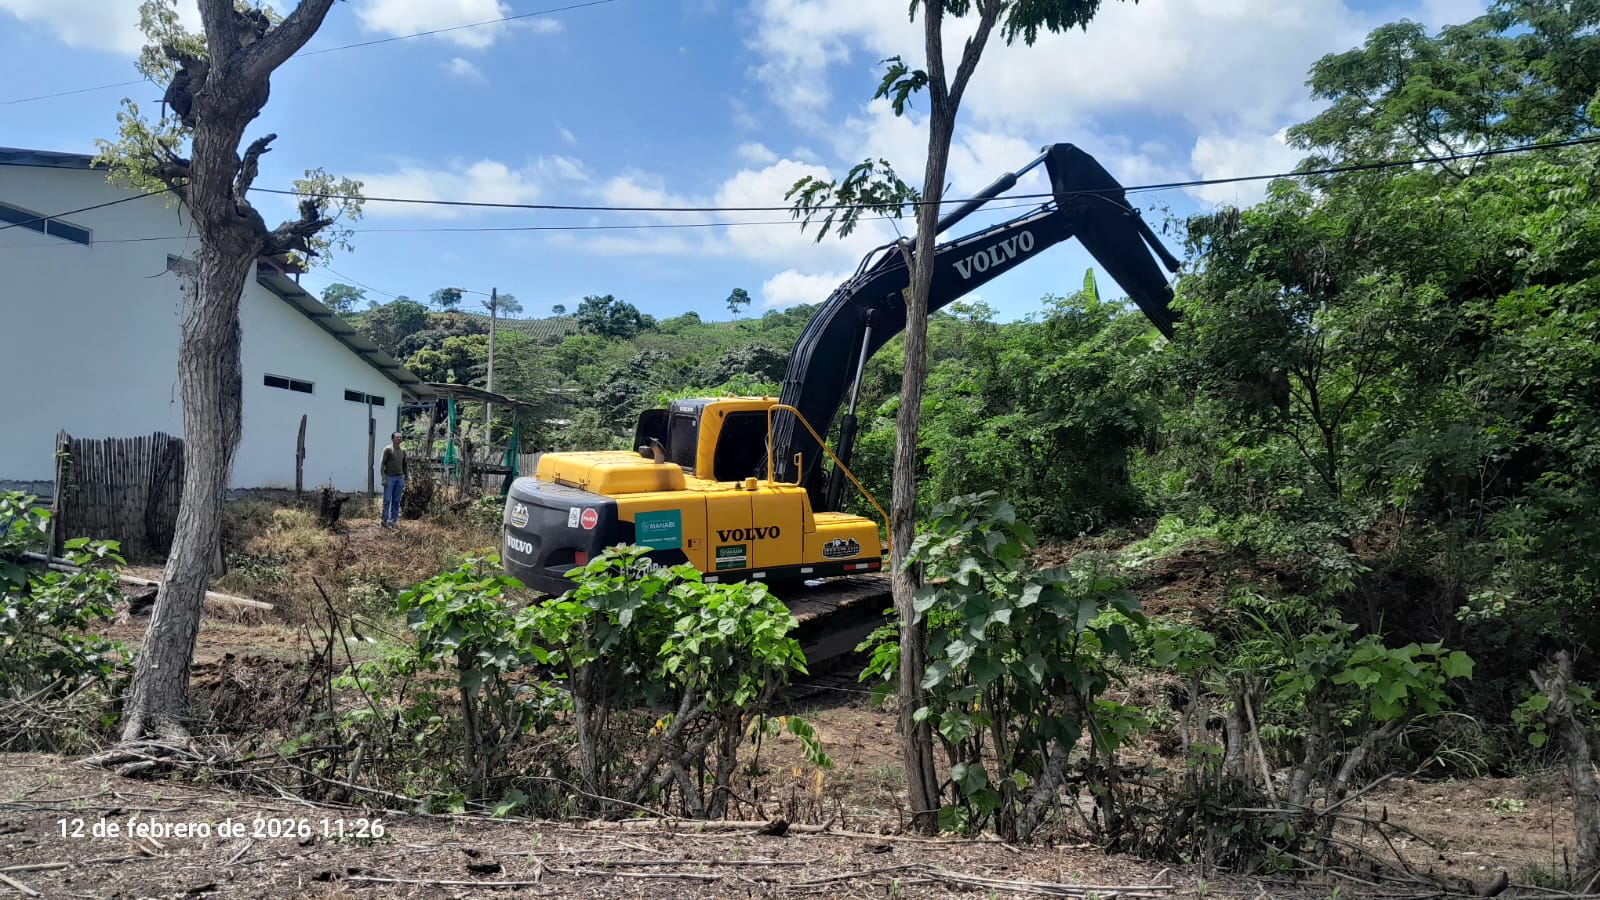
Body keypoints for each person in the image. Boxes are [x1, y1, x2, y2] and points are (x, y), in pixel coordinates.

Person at [380, 431, 407, 529]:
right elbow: (382, 464)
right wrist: (383, 478)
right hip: (389, 477)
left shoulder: (403, 451)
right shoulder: (388, 449)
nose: (399, 439)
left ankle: (393, 521)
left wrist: (406, 478)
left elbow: (405, 465)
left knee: (396, 501)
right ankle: (384, 521)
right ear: (392, 439)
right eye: (397, 437)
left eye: (400, 437)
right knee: (387, 501)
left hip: (399, 478)